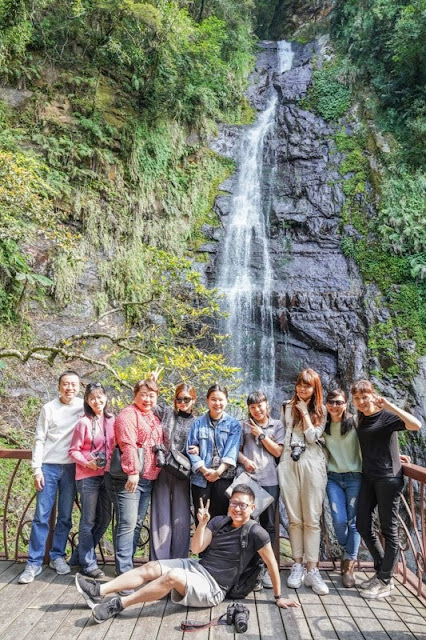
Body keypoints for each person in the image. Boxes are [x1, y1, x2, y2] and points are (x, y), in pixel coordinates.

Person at [74, 484, 300, 623]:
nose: (237, 508)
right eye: (234, 503)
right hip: (198, 567)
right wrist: (202, 524)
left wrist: (279, 598)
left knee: (171, 577)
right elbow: (196, 549)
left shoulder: (256, 533)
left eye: (243, 505)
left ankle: (119, 604)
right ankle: (99, 590)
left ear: (252, 508)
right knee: (152, 567)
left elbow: (271, 563)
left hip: (214, 588)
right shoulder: (220, 521)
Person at [351, 379, 421, 600]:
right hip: (369, 477)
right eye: (357, 398)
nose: (361, 402)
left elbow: (415, 425)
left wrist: (389, 405)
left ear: (373, 395)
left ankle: (385, 580)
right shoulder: (361, 418)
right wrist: (396, 452)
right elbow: (375, 443)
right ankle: (383, 570)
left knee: (389, 530)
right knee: (362, 523)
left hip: (388, 479)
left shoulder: (387, 416)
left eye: (365, 397)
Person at [19, 370, 83, 584]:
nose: (69, 388)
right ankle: (34, 563)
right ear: (59, 386)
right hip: (48, 467)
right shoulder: (49, 408)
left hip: (72, 468)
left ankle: (57, 556)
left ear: (79, 386)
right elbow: (39, 439)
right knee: (41, 516)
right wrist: (36, 469)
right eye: (66, 384)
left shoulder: (84, 407)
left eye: (73, 384)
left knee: (65, 516)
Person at [104, 376, 163, 577]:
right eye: (143, 395)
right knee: (127, 522)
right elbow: (127, 443)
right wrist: (132, 472)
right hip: (127, 478)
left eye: (151, 395)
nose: (147, 399)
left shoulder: (153, 416)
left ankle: (127, 563)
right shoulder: (128, 415)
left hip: (147, 478)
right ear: (135, 396)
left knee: (137, 522)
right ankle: (124, 571)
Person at [278, 368, 329, 595]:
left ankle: (312, 569)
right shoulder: (285, 406)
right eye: (300, 384)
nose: (302, 389)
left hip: (312, 463)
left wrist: (305, 413)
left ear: (315, 388)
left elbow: (312, 437)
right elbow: (281, 434)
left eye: (307, 385)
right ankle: (297, 565)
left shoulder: (322, 410)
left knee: (312, 519)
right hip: (289, 461)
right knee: (294, 518)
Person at [238, 390, 284, 588]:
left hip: (270, 480)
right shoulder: (243, 425)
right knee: (248, 526)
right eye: (252, 407)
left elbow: (278, 451)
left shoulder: (278, 425)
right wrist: (245, 461)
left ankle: (266, 569)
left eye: (260, 405)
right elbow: (235, 451)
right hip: (248, 481)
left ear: (267, 405)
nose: (257, 410)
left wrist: (261, 434)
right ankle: (250, 571)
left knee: (269, 526)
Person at [68, 382, 115, 578]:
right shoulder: (83, 423)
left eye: (100, 396)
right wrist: (88, 463)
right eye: (92, 398)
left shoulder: (113, 420)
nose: (97, 401)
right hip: (88, 476)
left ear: (106, 397)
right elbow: (73, 451)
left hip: (108, 475)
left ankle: (79, 554)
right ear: (87, 401)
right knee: (88, 520)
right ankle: (88, 563)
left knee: (105, 519)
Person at [150, 383, 197, 560]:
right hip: (162, 467)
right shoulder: (167, 412)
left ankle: (179, 560)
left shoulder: (197, 422)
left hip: (183, 472)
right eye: (179, 399)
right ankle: (159, 561)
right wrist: (153, 385)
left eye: (187, 399)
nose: (182, 402)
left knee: (181, 517)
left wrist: (197, 450)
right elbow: (149, 405)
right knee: (160, 513)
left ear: (194, 400)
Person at [323, 388, 362, 588]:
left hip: (355, 477)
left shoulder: (355, 422)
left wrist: (394, 456)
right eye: (331, 402)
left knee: (353, 522)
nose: (335, 406)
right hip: (333, 478)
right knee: (339, 520)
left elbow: (372, 442)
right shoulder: (324, 424)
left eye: (339, 402)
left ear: (346, 404)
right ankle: (349, 552)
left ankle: (348, 566)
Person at [187, 384, 240, 518]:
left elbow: (231, 451)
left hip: (224, 479)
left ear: (226, 400)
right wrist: (205, 470)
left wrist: (217, 472)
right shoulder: (198, 423)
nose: (217, 403)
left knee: (221, 520)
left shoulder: (233, 424)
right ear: (207, 400)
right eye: (213, 399)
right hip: (201, 478)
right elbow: (190, 449)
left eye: (221, 400)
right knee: (201, 519)